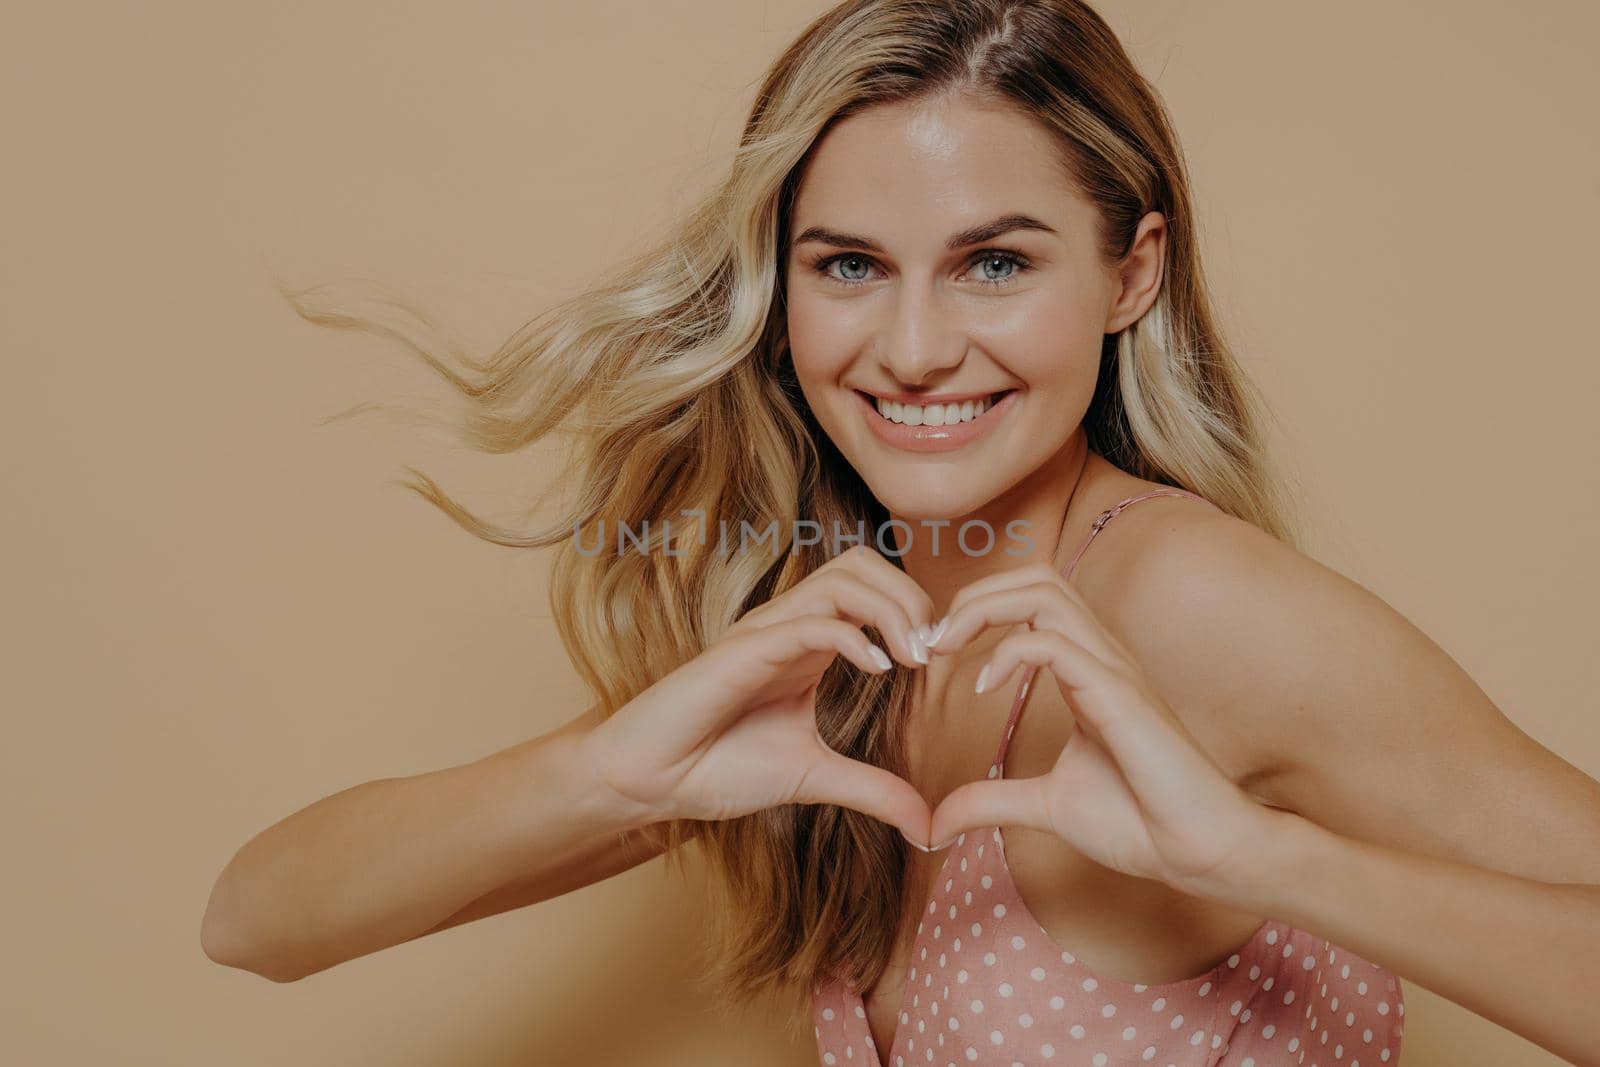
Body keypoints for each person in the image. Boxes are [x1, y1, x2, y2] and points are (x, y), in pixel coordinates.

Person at [201, 1, 1600, 1064]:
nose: (915, 348)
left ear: (1133, 273)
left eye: (996, 262)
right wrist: (605, 772)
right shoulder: (844, 625)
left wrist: (1255, 858)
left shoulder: (1194, 606)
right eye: (851, 267)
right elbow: (258, 923)